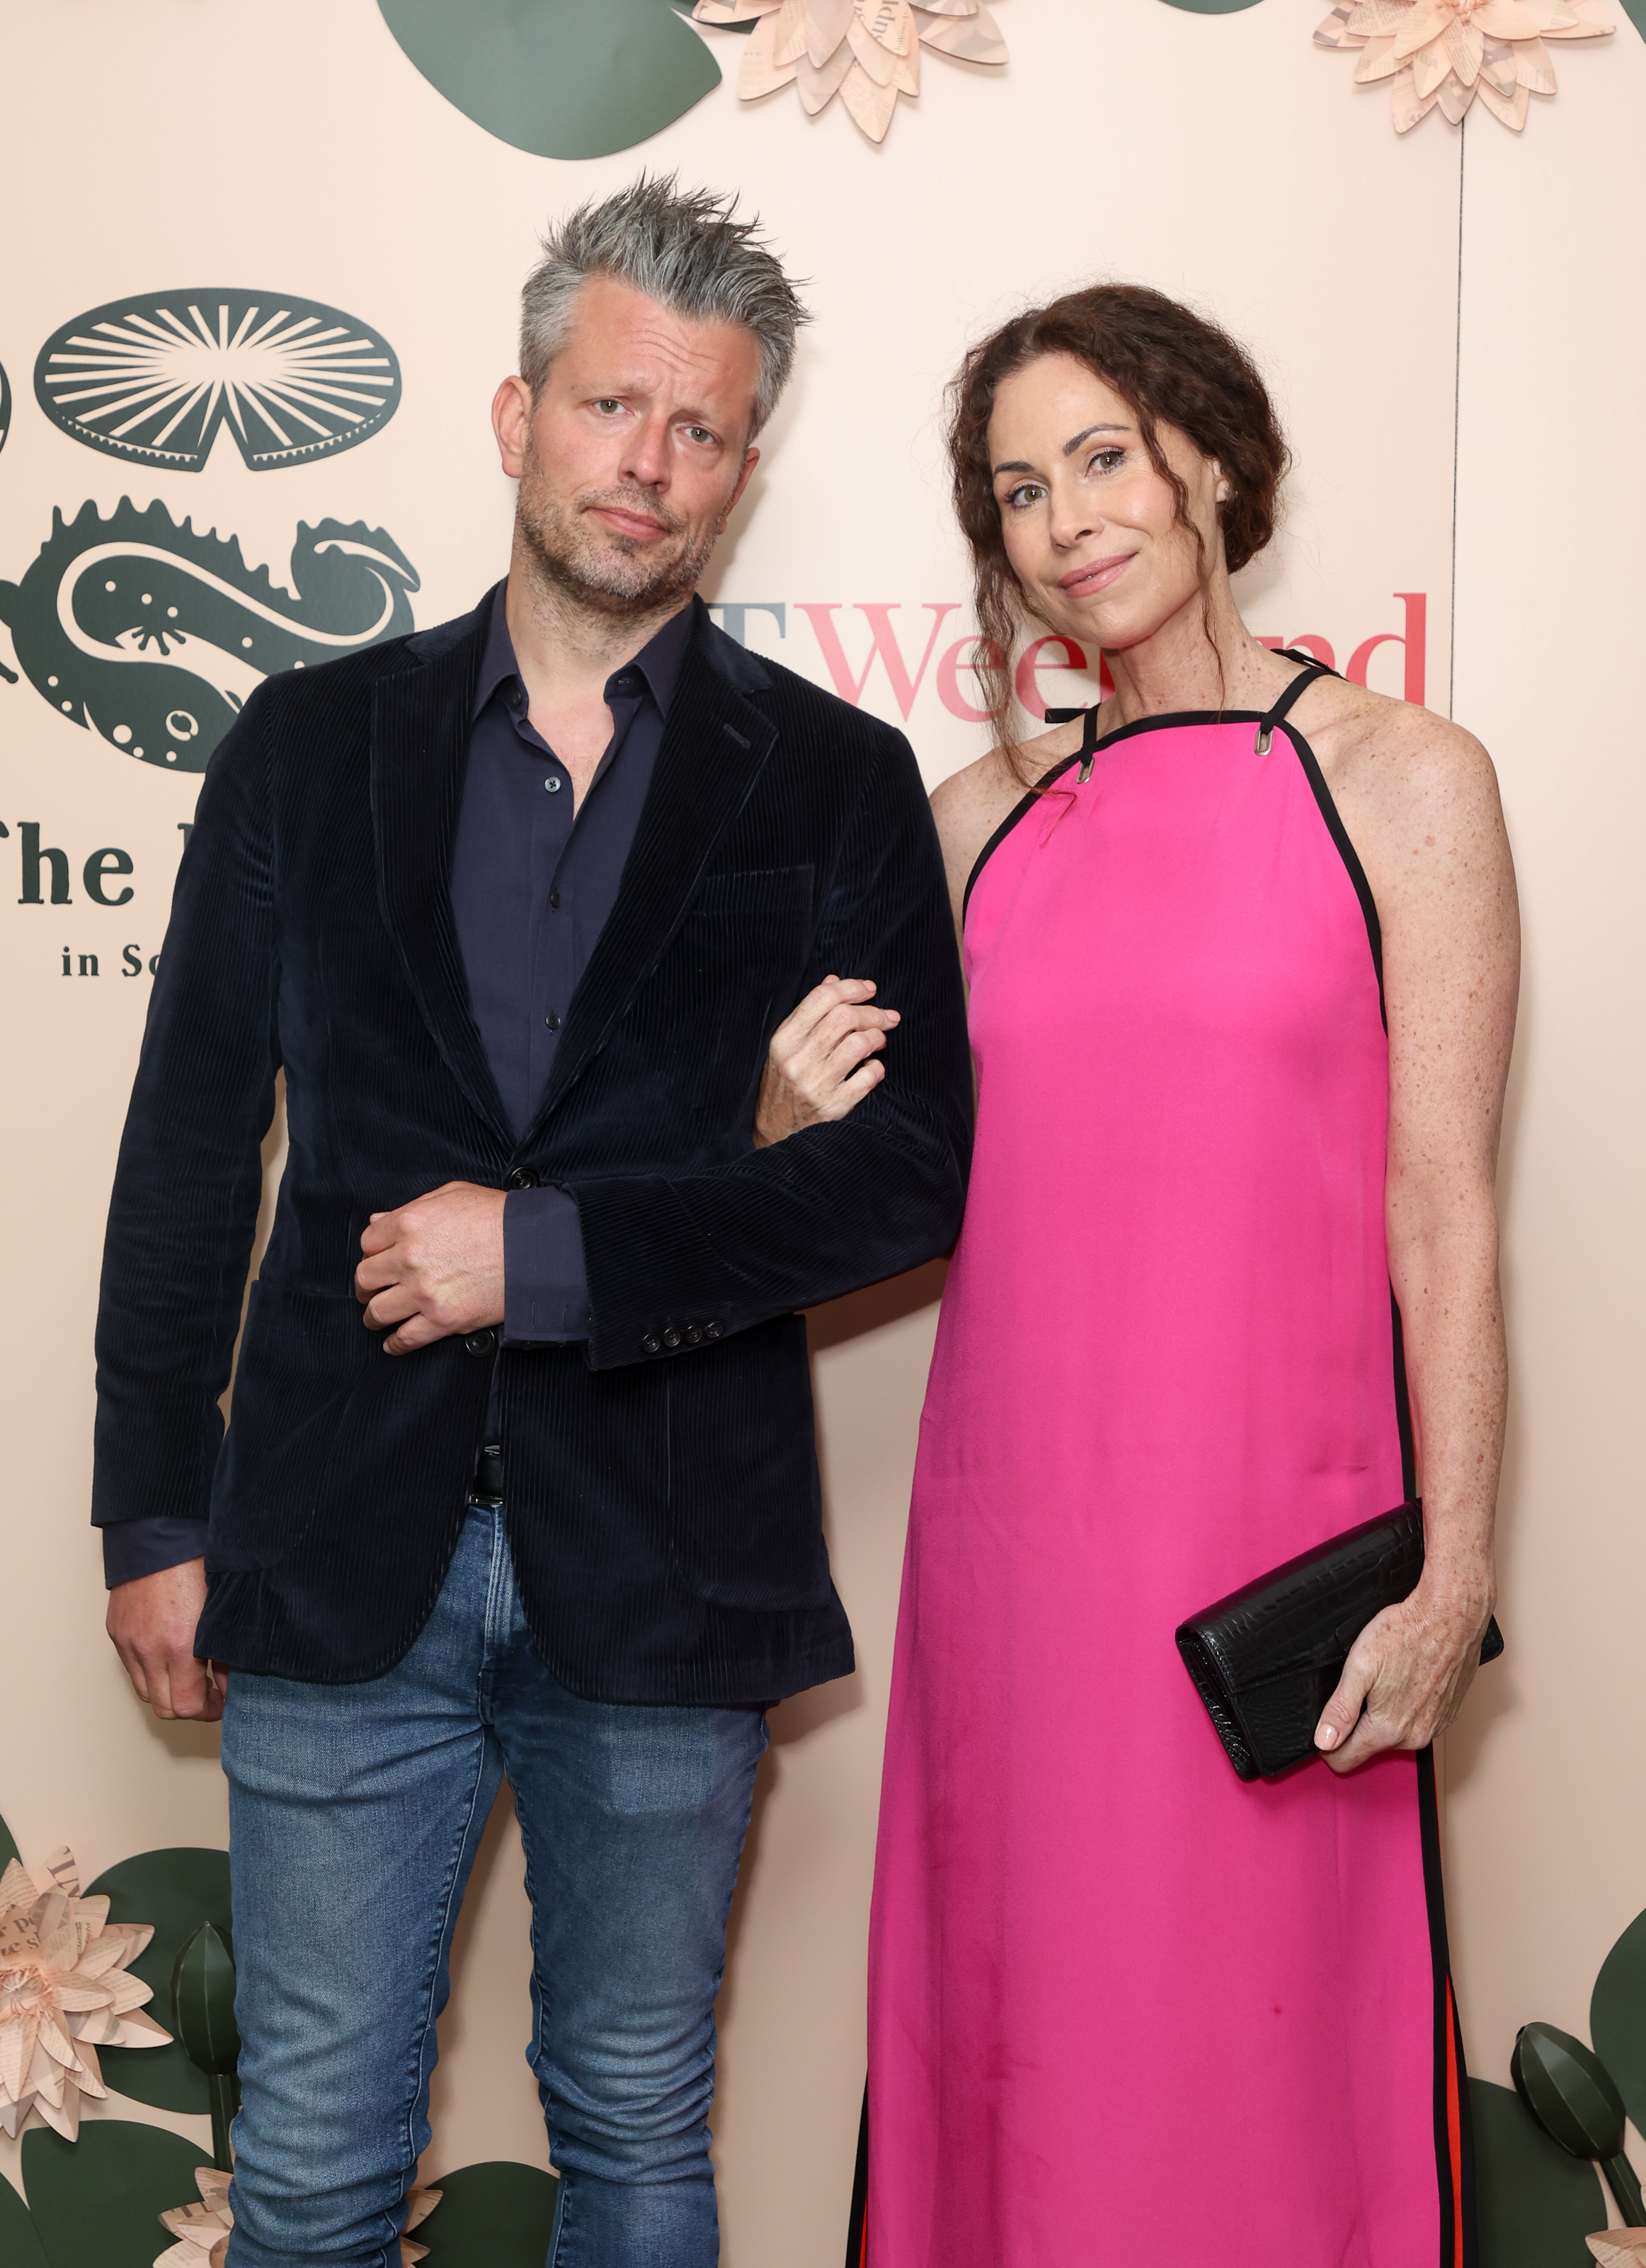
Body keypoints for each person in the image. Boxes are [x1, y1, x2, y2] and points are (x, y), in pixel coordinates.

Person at [93, 175, 971, 2268]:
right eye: (609, 406)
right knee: (308, 2156)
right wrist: (151, 1509)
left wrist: (546, 1252)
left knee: (643, 2143)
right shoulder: (311, 745)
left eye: (701, 427)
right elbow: (195, 1141)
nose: (647, 462)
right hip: (326, 1546)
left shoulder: (836, 781)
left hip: (671, 1556)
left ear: (747, 468)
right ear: (516, 416)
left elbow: (911, 1170)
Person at [860, 286, 1518, 2264]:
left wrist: (1457, 1563)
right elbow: (863, 1188)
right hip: (1012, 1578)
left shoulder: (1405, 774)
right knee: (1022, 2077)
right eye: (1016, 488)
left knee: (1248, 2085)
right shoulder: (971, 823)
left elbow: (1446, 1212)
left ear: (1211, 463)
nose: (1066, 518)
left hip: (1265, 1573)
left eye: (1104, 458)